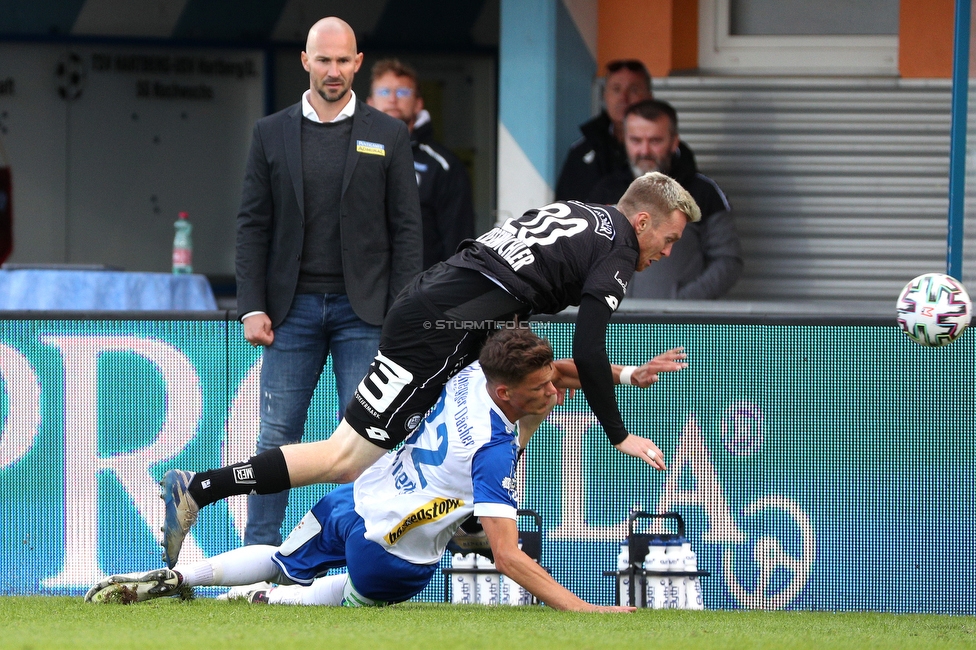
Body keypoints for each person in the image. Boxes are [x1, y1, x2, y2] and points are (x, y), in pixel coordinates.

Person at [160, 171, 701, 569]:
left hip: (451, 306)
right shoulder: (620, 248)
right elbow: (586, 348)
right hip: (443, 325)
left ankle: (471, 517)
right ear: (643, 220)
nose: (668, 252)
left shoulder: (591, 215)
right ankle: (200, 488)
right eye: (670, 239)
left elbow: (560, 369)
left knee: (532, 388)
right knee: (346, 458)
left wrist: (625, 376)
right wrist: (620, 433)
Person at [91, 329, 685, 611]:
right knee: (336, 592)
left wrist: (626, 376)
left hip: (358, 499)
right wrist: (587, 609)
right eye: (540, 392)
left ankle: (180, 577)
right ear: (506, 391)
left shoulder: (475, 369)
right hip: (395, 553)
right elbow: (508, 558)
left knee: (279, 556)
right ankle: (263, 604)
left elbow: (555, 369)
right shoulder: (496, 451)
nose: (555, 396)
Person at [235, 17, 422, 547]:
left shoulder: (388, 133)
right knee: (276, 435)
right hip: (288, 311)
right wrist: (251, 306)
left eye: (344, 60)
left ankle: (362, 553)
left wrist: (400, 312)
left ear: (358, 63)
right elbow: (252, 224)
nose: (334, 70)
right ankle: (258, 552)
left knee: (365, 442)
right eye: (325, 60)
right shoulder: (269, 132)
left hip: (365, 314)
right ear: (305, 61)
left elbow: (407, 231)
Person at [588, 99, 742, 299]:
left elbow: (728, 261)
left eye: (655, 141)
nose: (644, 151)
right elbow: (585, 254)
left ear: (674, 142)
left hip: (679, 325)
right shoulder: (604, 190)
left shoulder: (703, 192)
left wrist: (682, 303)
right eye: (635, 140)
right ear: (624, 140)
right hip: (612, 324)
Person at [367, 58, 476, 269]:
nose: (392, 99)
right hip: (360, 293)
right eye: (384, 92)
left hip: (420, 292)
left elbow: (459, 243)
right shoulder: (352, 156)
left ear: (418, 103)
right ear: (370, 102)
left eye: (403, 92)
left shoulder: (444, 167)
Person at [554, 59, 697, 202]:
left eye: (634, 90)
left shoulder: (677, 155)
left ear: (649, 97)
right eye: (616, 89)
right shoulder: (582, 153)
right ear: (605, 96)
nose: (623, 98)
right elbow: (563, 214)